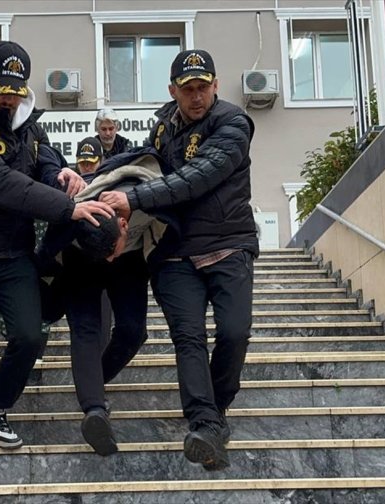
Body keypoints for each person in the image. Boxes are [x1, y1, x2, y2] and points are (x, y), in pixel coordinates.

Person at [0, 40, 112, 487]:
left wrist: (62, 174)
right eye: (2, 88)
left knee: (30, 334)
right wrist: (65, 208)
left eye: (16, 89)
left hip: (12, 249)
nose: (9, 98)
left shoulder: (27, 120)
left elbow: (41, 160)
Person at [100, 49, 258, 471]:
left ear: (216, 85)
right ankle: (203, 421)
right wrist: (93, 178)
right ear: (173, 90)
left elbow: (198, 175)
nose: (195, 97)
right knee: (187, 338)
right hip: (174, 254)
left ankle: (215, 414)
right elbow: (136, 163)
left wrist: (131, 199)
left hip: (229, 245)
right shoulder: (163, 128)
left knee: (234, 332)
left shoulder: (233, 124)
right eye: (187, 89)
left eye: (202, 87)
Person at [38, 152, 173, 456]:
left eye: (111, 252)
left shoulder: (151, 199)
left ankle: (92, 382)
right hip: (81, 256)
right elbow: (47, 248)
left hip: (132, 257)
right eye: (107, 256)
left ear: (125, 224)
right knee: (85, 328)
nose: (109, 260)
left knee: (133, 331)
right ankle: (94, 410)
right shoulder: (73, 221)